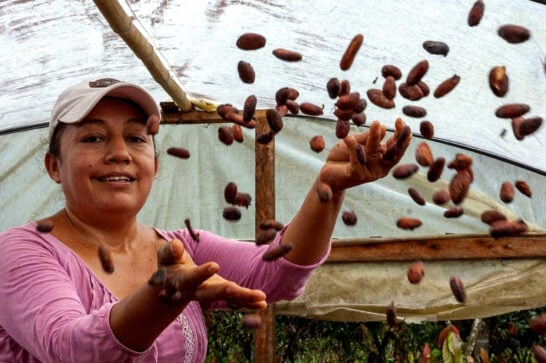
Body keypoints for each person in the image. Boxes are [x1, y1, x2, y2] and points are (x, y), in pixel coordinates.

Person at [0, 78, 411, 362]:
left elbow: (277, 275)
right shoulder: (21, 250)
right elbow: (71, 350)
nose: (120, 152)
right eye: (93, 137)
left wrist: (329, 187)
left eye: (137, 138)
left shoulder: (183, 248)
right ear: (54, 166)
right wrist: (162, 296)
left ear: (155, 165)